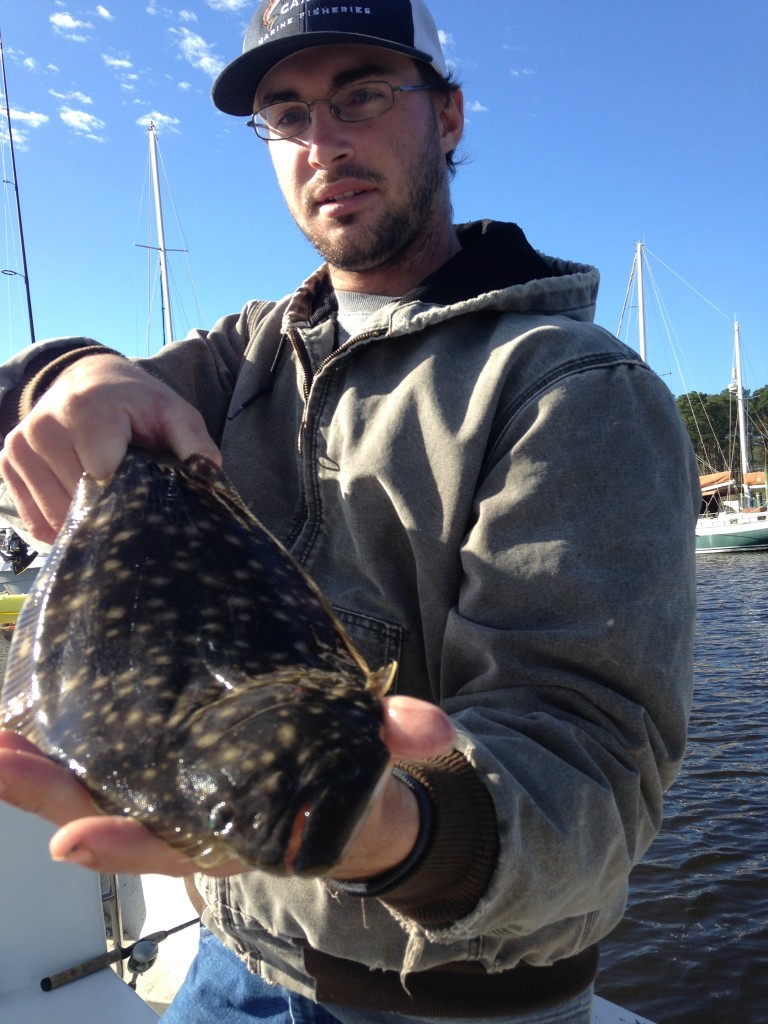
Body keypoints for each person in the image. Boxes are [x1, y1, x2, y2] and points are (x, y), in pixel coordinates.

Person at [0, 2, 701, 1022]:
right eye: (286, 116)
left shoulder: (571, 387)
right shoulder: (247, 351)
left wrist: (391, 829)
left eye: (362, 97)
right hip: (234, 958)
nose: (323, 143)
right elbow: (32, 394)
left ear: (449, 116)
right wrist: (77, 370)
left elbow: (591, 765)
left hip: (460, 998)